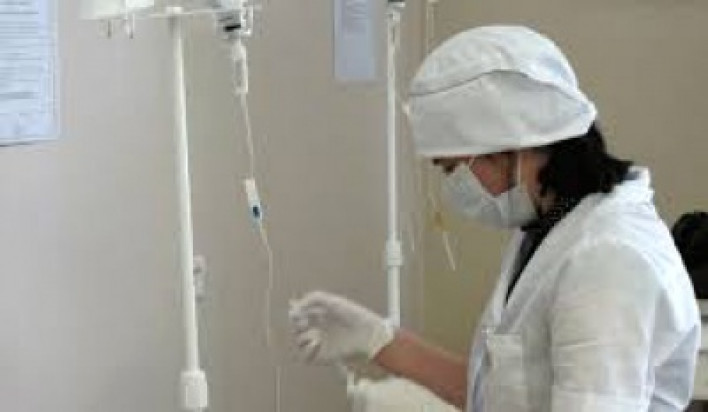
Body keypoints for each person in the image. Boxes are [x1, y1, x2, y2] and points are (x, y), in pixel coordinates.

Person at [288, 26, 700, 411]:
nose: (453, 188)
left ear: (510, 146)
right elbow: (500, 389)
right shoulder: (551, 227)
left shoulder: (606, 260)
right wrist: (379, 340)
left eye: (454, 169)